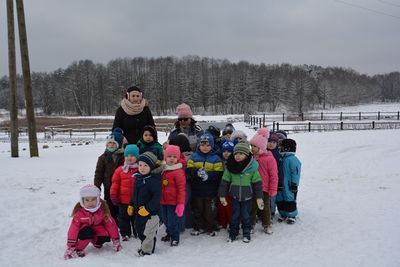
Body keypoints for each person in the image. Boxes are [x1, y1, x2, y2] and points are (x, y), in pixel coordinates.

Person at [218, 141, 264, 243]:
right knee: (234, 216)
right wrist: (222, 195)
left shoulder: (252, 168)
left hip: (247, 197)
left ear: (247, 155)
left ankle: (246, 233)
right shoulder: (230, 167)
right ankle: (233, 233)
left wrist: (259, 197)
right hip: (234, 197)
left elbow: (257, 184)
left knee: (246, 215)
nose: (238, 156)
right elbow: (224, 182)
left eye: (241, 154)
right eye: (236, 154)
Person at [64, 185, 121, 260]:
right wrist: (71, 246)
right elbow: (73, 230)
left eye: (93, 199)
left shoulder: (102, 210)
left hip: (96, 229)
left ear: (98, 199)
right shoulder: (79, 213)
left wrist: (116, 240)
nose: (90, 203)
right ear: (82, 200)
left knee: (105, 234)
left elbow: (111, 225)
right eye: (87, 200)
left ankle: (96, 242)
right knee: (88, 232)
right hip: (84, 231)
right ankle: (78, 248)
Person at [187, 133, 224, 236]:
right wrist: (197, 172)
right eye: (203, 145)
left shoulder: (216, 158)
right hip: (197, 190)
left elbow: (219, 174)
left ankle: (210, 227)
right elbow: (189, 170)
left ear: (212, 146)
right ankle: (198, 227)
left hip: (211, 191)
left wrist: (209, 175)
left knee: (210, 210)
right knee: (197, 209)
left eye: (208, 145)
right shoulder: (193, 157)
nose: (205, 147)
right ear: (199, 145)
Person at [129, 152, 162, 256]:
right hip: (139, 212)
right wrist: (131, 204)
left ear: (151, 166)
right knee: (140, 231)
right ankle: (145, 245)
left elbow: (157, 198)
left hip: (150, 214)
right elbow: (135, 194)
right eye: (140, 165)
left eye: (145, 165)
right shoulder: (138, 179)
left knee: (149, 233)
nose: (142, 168)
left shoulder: (154, 181)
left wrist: (148, 208)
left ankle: (147, 251)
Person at [249, 128, 278, 234]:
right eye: (251, 146)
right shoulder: (251, 158)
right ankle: (250, 224)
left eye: (254, 146)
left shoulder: (269, 159)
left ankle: (267, 224)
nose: (252, 148)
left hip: (264, 188)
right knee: (252, 207)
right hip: (252, 187)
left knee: (265, 207)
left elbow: (274, 175)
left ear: (261, 147)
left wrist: (272, 189)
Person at [94, 128, 125, 222]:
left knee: (120, 204)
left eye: (114, 143)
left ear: (119, 145)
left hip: (120, 186)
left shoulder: (124, 157)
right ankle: (112, 221)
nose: (111, 145)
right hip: (108, 186)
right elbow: (98, 172)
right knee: (109, 205)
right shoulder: (102, 158)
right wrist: (97, 186)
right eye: (109, 143)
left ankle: (121, 221)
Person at [110, 144, 139, 241]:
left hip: (136, 201)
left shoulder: (140, 170)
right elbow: (115, 183)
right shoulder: (120, 170)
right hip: (123, 201)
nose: (129, 158)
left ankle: (137, 231)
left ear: (137, 156)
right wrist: (113, 195)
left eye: (132, 155)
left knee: (136, 218)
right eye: (127, 156)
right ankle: (125, 233)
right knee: (123, 218)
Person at [160, 145, 186, 246]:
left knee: (172, 221)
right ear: (165, 157)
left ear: (178, 158)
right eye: (169, 156)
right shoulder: (163, 169)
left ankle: (175, 237)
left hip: (173, 202)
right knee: (165, 220)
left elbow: (181, 189)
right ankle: (169, 233)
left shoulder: (178, 172)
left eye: (174, 157)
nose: (172, 158)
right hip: (163, 201)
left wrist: (180, 204)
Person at [275, 139, 302, 224]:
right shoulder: (281, 158)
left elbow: (296, 173)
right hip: (280, 183)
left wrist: (294, 184)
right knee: (280, 198)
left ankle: (291, 215)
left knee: (289, 198)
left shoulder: (292, 159)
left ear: (287, 148)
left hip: (289, 184)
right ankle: (283, 213)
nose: (279, 149)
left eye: (281, 147)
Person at [217, 141, 235, 229]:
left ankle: (229, 222)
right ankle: (222, 221)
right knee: (221, 205)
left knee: (229, 206)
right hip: (221, 187)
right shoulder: (220, 162)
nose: (226, 153)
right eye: (224, 151)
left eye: (229, 151)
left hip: (230, 188)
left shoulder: (234, 162)